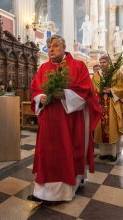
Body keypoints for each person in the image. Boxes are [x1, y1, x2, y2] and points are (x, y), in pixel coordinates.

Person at [29, 35, 101, 204]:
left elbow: (86, 91)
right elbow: (34, 89)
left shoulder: (78, 65)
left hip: (69, 119)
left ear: (64, 47)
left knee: (66, 151)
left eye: (55, 46)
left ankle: (64, 190)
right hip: (48, 118)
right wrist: (40, 97)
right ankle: (42, 191)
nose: (51, 49)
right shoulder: (43, 68)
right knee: (46, 152)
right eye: (49, 46)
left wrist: (65, 95)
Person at [92, 55, 123, 161]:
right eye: (101, 62)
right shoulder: (96, 75)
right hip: (100, 103)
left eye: (104, 62)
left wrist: (111, 90)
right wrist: (100, 90)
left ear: (109, 63)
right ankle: (103, 153)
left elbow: (122, 88)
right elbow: (93, 88)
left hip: (112, 104)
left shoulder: (116, 73)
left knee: (112, 128)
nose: (102, 64)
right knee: (100, 129)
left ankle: (113, 154)